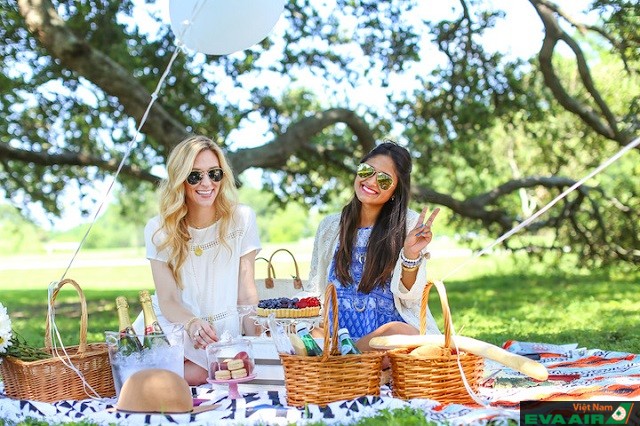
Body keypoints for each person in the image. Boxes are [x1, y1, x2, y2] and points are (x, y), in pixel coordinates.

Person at [134, 134, 261, 385]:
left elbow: (246, 294)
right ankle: (147, 380)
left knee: (206, 371)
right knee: (163, 364)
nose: (207, 183)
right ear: (180, 180)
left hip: (221, 331)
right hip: (176, 322)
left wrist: (257, 341)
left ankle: (148, 383)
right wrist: (191, 324)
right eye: (195, 175)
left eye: (214, 173)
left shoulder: (242, 218)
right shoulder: (159, 229)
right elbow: (168, 298)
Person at [307, 141, 441, 353]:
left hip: (383, 341)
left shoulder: (409, 224)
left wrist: (410, 254)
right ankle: (349, 359)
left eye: (384, 179)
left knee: (401, 333)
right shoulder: (330, 226)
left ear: (396, 189)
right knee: (302, 333)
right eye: (367, 171)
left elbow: (410, 298)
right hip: (335, 336)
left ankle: (349, 360)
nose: (371, 181)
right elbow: (315, 288)